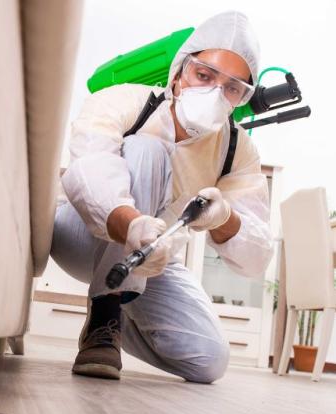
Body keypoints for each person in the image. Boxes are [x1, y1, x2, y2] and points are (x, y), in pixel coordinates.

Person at [50, 11, 273, 382]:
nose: (215, 94)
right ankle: (104, 317)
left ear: (242, 97)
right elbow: (88, 168)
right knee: (147, 150)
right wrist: (130, 223)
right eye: (204, 75)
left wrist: (225, 218)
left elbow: (256, 257)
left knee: (208, 361)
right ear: (180, 70)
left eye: (232, 88)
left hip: (151, 258)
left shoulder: (236, 149)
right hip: (80, 235)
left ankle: (119, 319)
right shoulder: (123, 100)